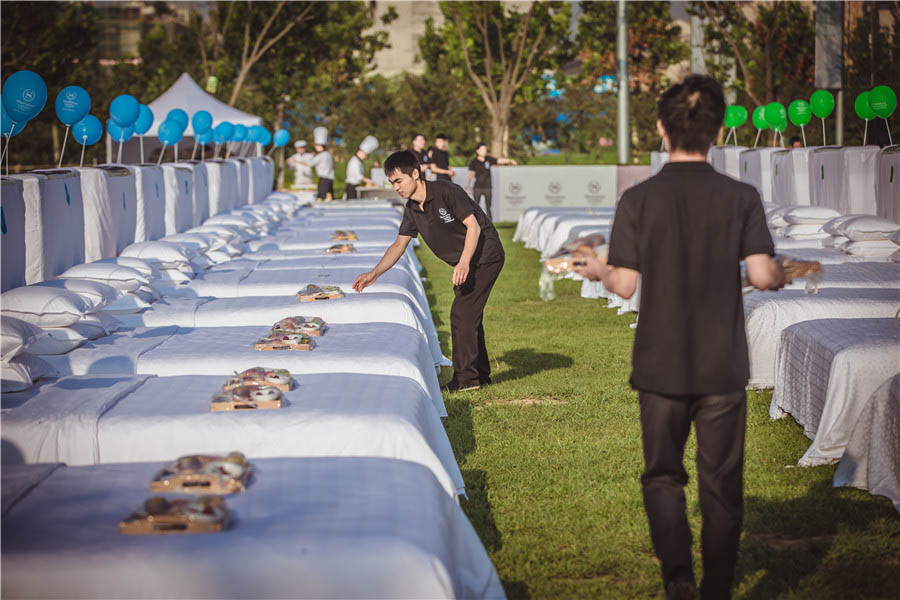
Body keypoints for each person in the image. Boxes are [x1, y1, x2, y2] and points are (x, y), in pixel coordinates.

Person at [574, 75, 790, 600]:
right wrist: (786, 272)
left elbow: (624, 283)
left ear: (660, 130)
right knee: (721, 486)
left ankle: (678, 579)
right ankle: (716, 587)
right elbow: (763, 276)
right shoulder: (740, 196)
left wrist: (596, 270)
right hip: (722, 364)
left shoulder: (638, 200)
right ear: (717, 130)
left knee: (663, 475)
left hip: (660, 363)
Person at [353, 150, 504, 392]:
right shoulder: (413, 208)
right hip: (466, 261)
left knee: (461, 314)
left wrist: (464, 262)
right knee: (468, 314)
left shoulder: (446, 191)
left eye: (399, 180)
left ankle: (466, 380)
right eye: (392, 183)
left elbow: (473, 226)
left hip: (485, 256)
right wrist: (374, 274)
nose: (396, 187)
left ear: (415, 173)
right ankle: (480, 375)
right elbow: (399, 244)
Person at [466, 142, 517, 220]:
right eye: (482, 149)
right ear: (477, 151)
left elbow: (499, 160)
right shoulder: (474, 162)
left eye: (485, 149)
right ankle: (476, 222)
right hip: (477, 188)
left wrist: (510, 161)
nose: (484, 151)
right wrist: (468, 186)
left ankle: (490, 223)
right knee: (475, 206)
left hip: (488, 187)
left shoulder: (489, 159)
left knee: (488, 207)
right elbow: (471, 174)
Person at [308, 126, 334, 200]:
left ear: (320, 146)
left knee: (321, 199)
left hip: (323, 181)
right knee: (330, 199)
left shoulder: (321, 155)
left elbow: (310, 164)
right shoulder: (328, 154)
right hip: (330, 180)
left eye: (316, 145)